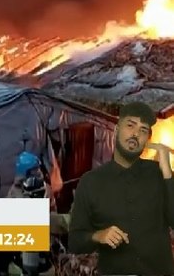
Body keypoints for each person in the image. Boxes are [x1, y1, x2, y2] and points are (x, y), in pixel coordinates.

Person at [68, 101, 174, 275]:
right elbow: (75, 241)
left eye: (143, 130)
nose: (135, 134)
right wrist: (98, 235)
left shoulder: (159, 174)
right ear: (116, 131)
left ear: (147, 140)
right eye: (130, 125)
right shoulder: (91, 182)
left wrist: (167, 171)